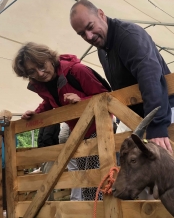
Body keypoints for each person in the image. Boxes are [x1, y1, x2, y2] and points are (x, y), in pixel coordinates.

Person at [70, 0, 174, 153]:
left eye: (90, 27)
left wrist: (156, 126)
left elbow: (150, 76)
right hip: (135, 115)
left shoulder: (128, 36)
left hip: (162, 109)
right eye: (82, 34)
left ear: (101, 14)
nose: (89, 36)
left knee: (159, 164)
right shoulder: (102, 50)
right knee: (121, 155)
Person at [12, 42, 109, 201]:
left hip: (97, 130)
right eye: (32, 72)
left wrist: (82, 100)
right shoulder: (43, 85)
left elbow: (107, 97)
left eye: (42, 66)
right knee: (85, 181)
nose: (40, 73)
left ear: (50, 58)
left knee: (97, 180)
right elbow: (50, 102)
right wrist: (35, 113)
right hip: (78, 133)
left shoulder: (76, 71)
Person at [59, 122, 82, 201]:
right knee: (81, 173)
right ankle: (79, 198)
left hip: (72, 151)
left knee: (74, 173)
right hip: (78, 150)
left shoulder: (68, 122)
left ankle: (76, 199)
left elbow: (62, 137)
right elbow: (63, 137)